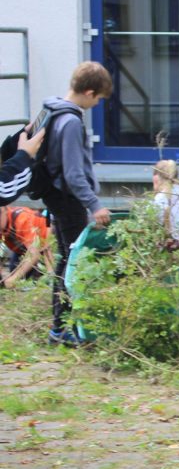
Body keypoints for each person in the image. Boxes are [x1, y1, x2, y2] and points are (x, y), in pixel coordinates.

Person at [40, 61, 113, 347]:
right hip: (69, 201)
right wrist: (94, 204)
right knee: (73, 265)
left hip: (58, 199)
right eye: (98, 99)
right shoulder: (70, 121)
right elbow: (73, 173)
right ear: (89, 91)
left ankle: (61, 327)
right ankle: (63, 328)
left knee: (65, 261)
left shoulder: (54, 110)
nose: (96, 105)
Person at [1, 205, 51, 288]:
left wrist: (14, 278)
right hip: (21, 251)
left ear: (5, 210)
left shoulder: (23, 218)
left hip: (43, 250)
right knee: (13, 272)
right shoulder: (4, 222)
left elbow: (34, 254)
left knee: (22, 280)